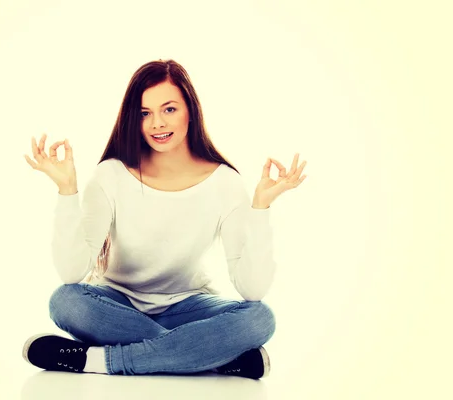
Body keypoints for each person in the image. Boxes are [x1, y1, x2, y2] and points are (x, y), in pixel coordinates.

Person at [22, 59, 307, 379]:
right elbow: (72, 271)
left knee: (259, 319)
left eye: (169, 109)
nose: (157, 123)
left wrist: (261, 208)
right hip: (116, 308)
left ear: (190, 110)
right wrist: (67, 190)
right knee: (66, 302)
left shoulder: (225, 183)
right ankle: (212, 358)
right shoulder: (111, 174)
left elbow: (252, 290)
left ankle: (97, 362)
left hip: (187, 309)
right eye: (145, 113)